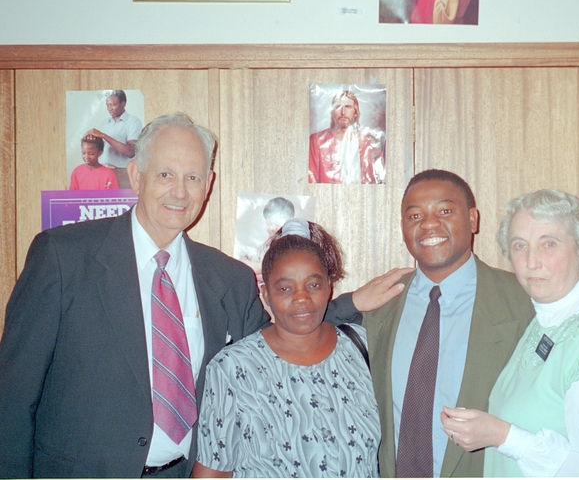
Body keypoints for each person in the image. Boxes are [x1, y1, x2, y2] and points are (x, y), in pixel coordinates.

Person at [0, 112, 270, 478]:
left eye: (192, 177)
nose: (180, 191)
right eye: (165, 174)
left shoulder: (231, 279)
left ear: (208, 185)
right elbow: (12, 399)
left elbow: (282, 349)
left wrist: (351, 308)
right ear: (135, 175)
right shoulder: (63, 257)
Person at [326, 169, 535, 477]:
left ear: (473, 219)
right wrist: (352, 302)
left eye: (445, 210)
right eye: (414, 216)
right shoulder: (381, 306)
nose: (429, 224)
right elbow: (297, 336)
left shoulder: (523, 301)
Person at [440, 189, 579, 476]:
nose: (531, 262)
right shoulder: (548, 317)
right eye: (520, 246)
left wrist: (503, 436)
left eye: (548, 244)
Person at [192, 219, 380, 478]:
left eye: (313, 285)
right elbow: (213, 472)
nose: (301, 298)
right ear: (266, 294)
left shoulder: (362, 347)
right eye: (285, 288)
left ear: (329, 287)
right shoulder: (233, 368)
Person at [308, 90, 386, 184]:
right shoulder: (316, 141)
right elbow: (311, 182)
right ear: (332, 112)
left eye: (348, 107)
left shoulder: (370, 142)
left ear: (355, 112)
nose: (343, 112)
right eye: (338, 107)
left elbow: (380, 181)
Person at [84, 89, 143, 189]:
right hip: (102, 171)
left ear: (123, 103)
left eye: (113, 105)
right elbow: (101, 148)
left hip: (121, 173)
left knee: (120, 203)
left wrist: (104, 136)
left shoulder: (133, 122)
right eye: (107, 105)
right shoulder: (105, 123)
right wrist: (91, 138)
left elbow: (131, 152)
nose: (110, 108)